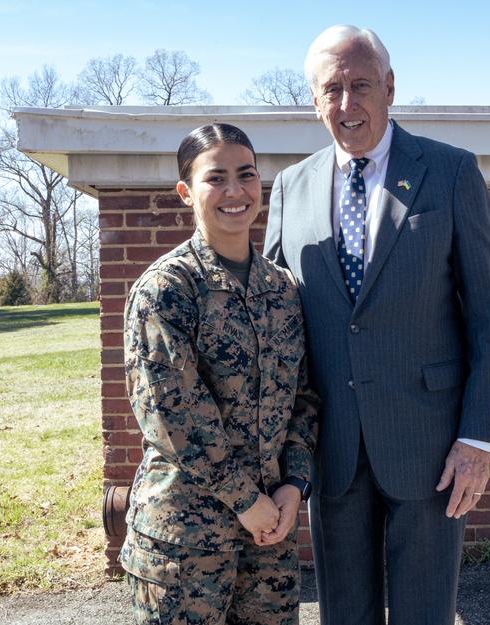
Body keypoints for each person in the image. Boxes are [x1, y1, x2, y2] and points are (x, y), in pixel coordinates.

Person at [264, 25, 490, 625]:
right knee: (343, 615)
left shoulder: (450, 173)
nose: (347, 104)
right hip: (334, 449)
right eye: (332, 89)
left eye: (361, 85)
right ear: (314, 100)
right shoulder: (289, 188)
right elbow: (275, 327)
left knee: (424, 613)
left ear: (390, 87)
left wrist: (478, 440)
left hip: (430, 448)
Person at [121, 123, 319, 624]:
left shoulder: (282, 290)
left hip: (269, 533)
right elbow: (172, 415)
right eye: (216, 178)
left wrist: (294, 485)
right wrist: (243, 498)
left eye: (246, 175)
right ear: (186, 192)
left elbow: (304, 398)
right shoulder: (168, 289)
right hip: (186, 540)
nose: (235, 191)